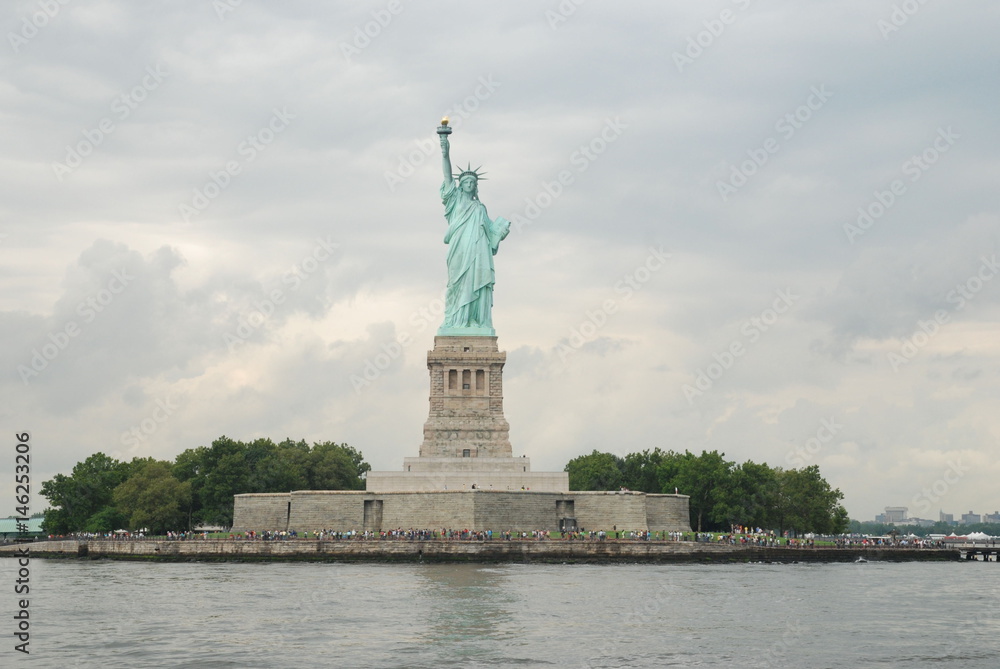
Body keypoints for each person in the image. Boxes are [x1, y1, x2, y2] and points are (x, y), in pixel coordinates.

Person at [437, 130, 510, 333]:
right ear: (460, 186)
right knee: (456, 284)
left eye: (472, 183)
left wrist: (500, 232)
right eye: (466, 182)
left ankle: (475, 321)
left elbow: (491, 234)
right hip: (459, 249)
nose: (469, 184)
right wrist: (445, 150)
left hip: (478, 252)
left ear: (475, 187)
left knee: (475, 281)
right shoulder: (455, 200)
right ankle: (455, 321)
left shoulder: (480, 208)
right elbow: (446, 174)